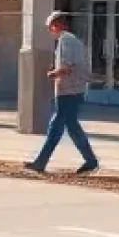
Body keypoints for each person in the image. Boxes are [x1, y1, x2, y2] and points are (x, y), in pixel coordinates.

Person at [23, 12, 99, 175]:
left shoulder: (66, 41)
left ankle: (40, 162)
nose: (50, 31)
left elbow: (67, 67)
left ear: (55, 25)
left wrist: (53, 74)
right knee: (72, 127)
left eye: (50, 28)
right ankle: (90, 160)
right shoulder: (72, 40)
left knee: (55, 127)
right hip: (72, 90)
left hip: (68, 91)